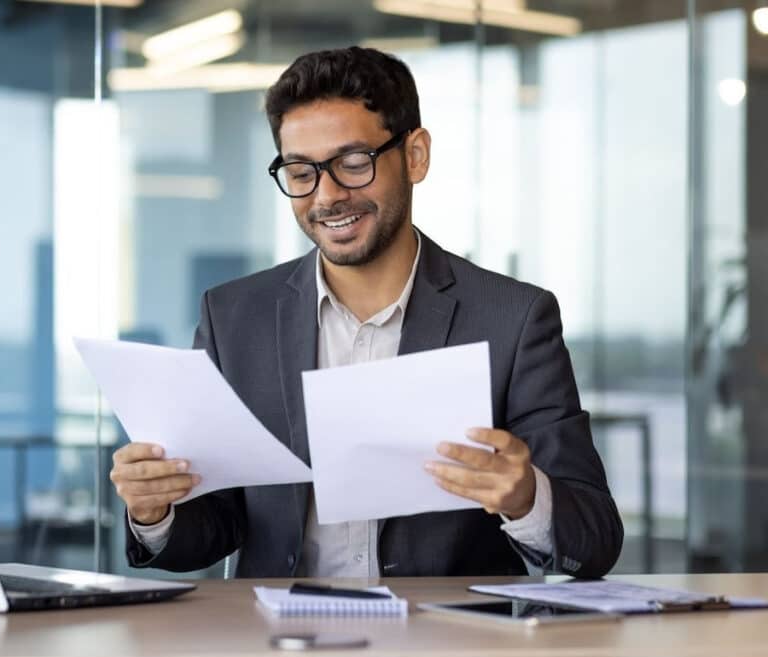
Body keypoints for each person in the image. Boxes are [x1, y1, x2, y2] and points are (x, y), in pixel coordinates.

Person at [110, 46, 622, 579]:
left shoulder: (513, 319)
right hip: (276, 648)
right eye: (301, 171)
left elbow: (597, 540)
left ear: (415, 155)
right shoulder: (235, 317)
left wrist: (525, 497)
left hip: (448, 649)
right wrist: (156, 510)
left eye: (354, 164)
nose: (327, 196)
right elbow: (217, 525)